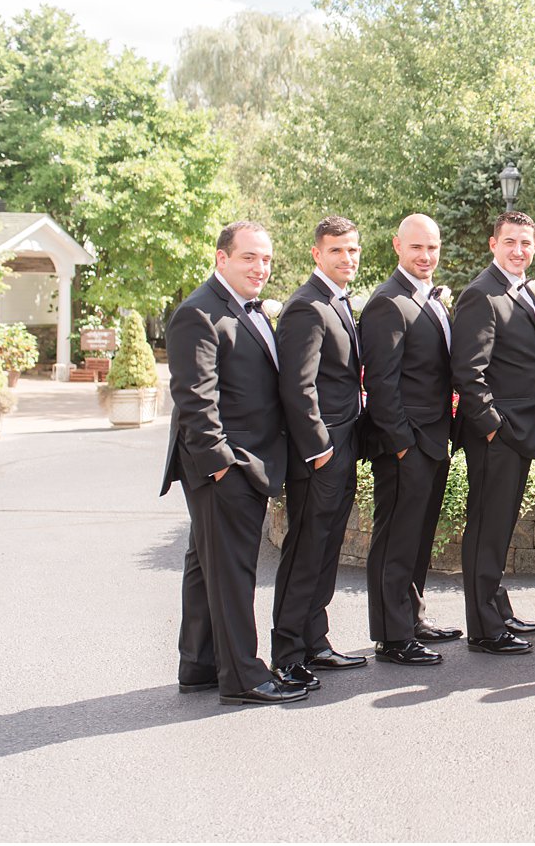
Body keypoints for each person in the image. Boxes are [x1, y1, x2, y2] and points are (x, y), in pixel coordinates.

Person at [164, 221, 304, 705]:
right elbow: (195, 401)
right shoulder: (198, 314)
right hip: (225, 466)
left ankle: (199, 664)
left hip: (244, 460)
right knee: (233, 572)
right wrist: (222, 466)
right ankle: (245, 676)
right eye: (249, 257)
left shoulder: (251, 309)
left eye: (266, 259)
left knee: (206, 567)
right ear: (222, 258)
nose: (260, 267)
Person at [270, 216, 368, 689]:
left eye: (352, 250)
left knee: (326, 549)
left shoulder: (337, 302)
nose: (347, 258)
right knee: (306, 551)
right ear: (317, 254)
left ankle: (316, 641)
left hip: (344, 443)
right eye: (336, 251)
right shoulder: (307, 307)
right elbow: (297, 386)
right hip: (321, 453)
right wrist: (320, 449)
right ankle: (287, 654)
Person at [360, 214, 461, 666]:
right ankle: (392, 635)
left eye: (432, 248)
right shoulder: (388, 302)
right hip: (407, 443)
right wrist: (402, 444)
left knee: (418, 537)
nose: (425, 256)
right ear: (398, 246)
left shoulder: (431, 298)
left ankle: (412, 617)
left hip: (433, 438)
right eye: (417, 247)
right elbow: (380, 383)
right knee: (396, 540)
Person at [451, 211, 535, 655]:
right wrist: (494, 429)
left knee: (501, 526)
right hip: (499, 436)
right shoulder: (481, 295)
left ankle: (497, 607)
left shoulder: (524, 290)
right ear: (493, 244)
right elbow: (468, 374)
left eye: (526, 243)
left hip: (520, 433)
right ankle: (485, 628)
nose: (519, 250)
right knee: (486, 529)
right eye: (510, 241)